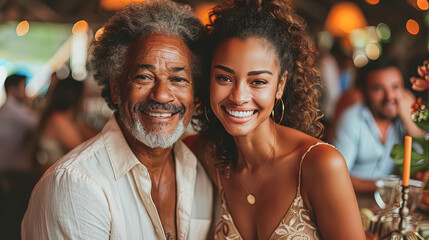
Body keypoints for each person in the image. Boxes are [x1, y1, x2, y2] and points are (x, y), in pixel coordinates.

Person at [21, 1, 213, 239]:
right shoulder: (77, 186)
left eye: (178, 79)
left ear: (195, 94)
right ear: (116, 90)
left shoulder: (202, 174)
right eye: (143, 76)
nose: (162, 94)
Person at [190, 0, 364, 239]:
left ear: (280, 85)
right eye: (224, 78)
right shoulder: (203, 154)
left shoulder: (320, 165)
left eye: (258, 81)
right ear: (208, 78)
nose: (239, 97)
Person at [333, 57, 422, 193]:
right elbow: (337, 177)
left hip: (393, 204)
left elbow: (422, 164)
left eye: (395, 87)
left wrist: (410, 122)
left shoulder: (406, 120)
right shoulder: (351, 120)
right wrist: (391, 186)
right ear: (364, 92)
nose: (389, 96)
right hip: (355, 201)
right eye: (378, 89)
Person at [33, 76, 97, 174]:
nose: (85, 101)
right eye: (84, 96)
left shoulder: (70, 118)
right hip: (55, 177)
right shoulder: (57, 119)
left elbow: (95, 136)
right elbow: (83, 151)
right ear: (75, 97)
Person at [0, 74, 38, 173]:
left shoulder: (14, 107)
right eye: (24, 88)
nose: (26, 93)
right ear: (12, 90)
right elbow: (37, 123)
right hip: (8, 166)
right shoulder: (11, 109)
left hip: (10, 161)